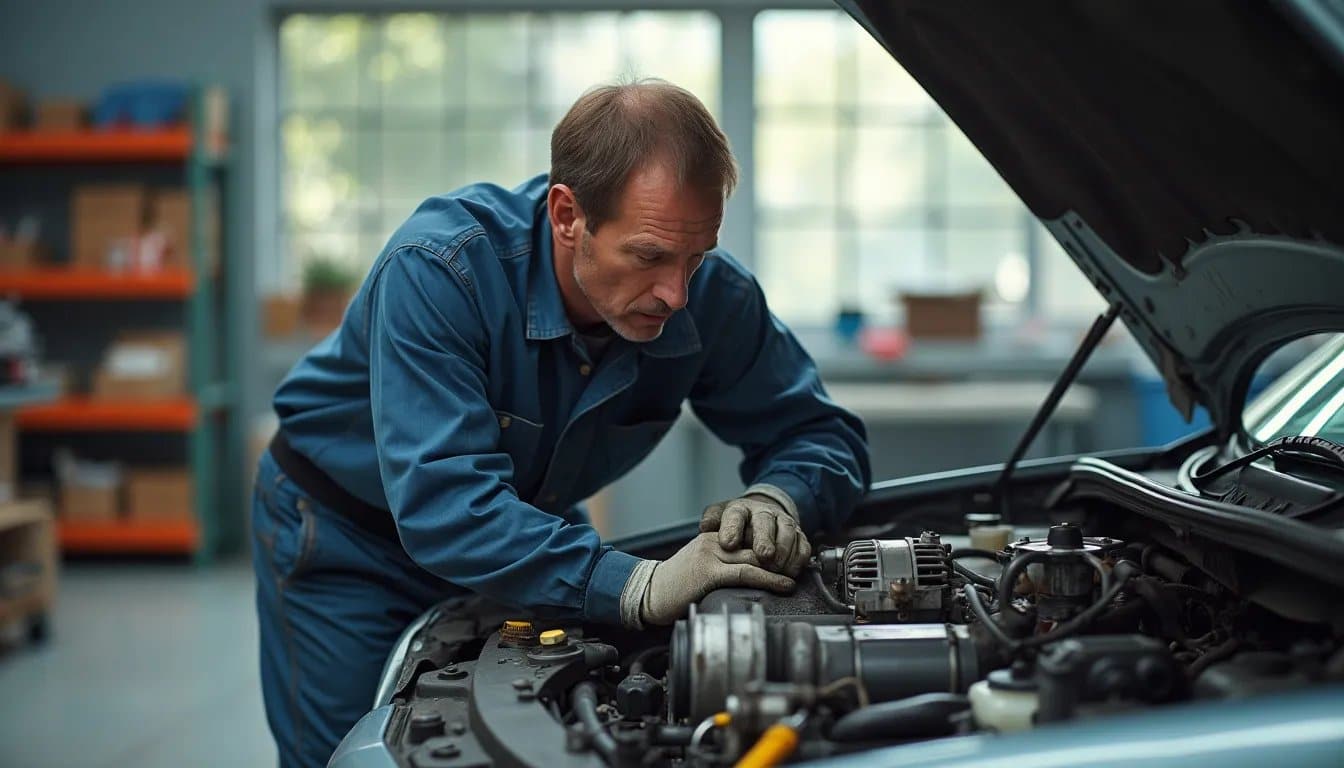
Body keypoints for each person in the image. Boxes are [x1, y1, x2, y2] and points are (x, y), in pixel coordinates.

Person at [252, 79, 870, 767]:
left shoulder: (710, 295)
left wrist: (776, 498)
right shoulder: (438, 272)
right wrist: (640, 585)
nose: (677, 293)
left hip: (522, 524)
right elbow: (446, 505)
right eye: (650, 256)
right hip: (351, 541)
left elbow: (819, 434)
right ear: (568, 213)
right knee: (353, 753)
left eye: (695, 256)